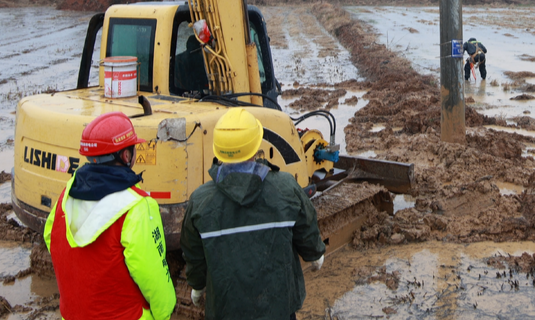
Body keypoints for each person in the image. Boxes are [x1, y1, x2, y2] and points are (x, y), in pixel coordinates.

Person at [180, 108, 326, 320]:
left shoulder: (201, 201)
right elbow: (307, 227)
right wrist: (315, 254)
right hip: (279, 309)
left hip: (226, 311)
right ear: (257, 144)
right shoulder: (285, 187)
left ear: (218, 150)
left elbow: (194, 253)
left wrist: (197, 285)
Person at [44, 111, 176, 320]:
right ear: (125, 156)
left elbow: (52, 238)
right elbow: (154, 277)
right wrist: (164, 313)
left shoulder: (66, 195)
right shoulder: (137, 206)